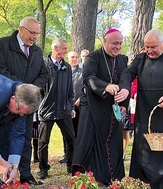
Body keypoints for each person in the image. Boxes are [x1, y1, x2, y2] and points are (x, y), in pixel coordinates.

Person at [116, 28, 163, 189]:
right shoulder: (140, 59)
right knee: (145, 149)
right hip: (146, 111)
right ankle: (143, 182)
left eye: (153, 47)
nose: (149, 51)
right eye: (146, 47)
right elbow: (127, 74)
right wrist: (126, 89)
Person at [0, 16, 48, 185]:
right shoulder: (2, 45)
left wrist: (31, 91)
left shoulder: (37, 51)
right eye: (32, 33)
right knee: (3, 137)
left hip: (27, 103)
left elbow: (43, 75)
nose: (35, 37)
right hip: (7, 102)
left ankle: (25, 173)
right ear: (21, 29)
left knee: (25, 139)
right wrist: (21, 87)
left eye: (37, 33)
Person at [72, 28, 129, 186]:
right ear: (105, 42)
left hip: (113, 109)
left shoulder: (123, 59)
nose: (118, 46)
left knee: (113, 143)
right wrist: (105, 86)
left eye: (120, 43)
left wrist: (124, 104)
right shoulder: (93, 57)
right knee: (92, 143)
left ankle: (113, 177)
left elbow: (125, 80)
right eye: (114, 43)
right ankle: (92, 178)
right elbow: (89, 78)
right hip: (94, 108)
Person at [37, 39, 76, 179]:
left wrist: (71, 106)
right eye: (64, 48)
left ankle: (71, 166)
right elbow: (38, 88)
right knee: (43, 142)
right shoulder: (43, 65)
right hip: (47, 110)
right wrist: (40, 106)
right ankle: (43, 168)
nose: (66, 51)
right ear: (55, 48)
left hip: (64, 110)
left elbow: (70, 89)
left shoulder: (67, 67)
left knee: (71, 139)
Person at [59, 51, 83, 164]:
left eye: (76, 57)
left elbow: (86, 87)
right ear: (68, 58)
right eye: (72, 57)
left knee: (77, 131)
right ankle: (66, 154)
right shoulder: (64, 70)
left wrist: (81, 99)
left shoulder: (82, 72)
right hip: (66, 106)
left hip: (78, 105)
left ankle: (76, 154)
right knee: (66, 132)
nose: (75, 59)